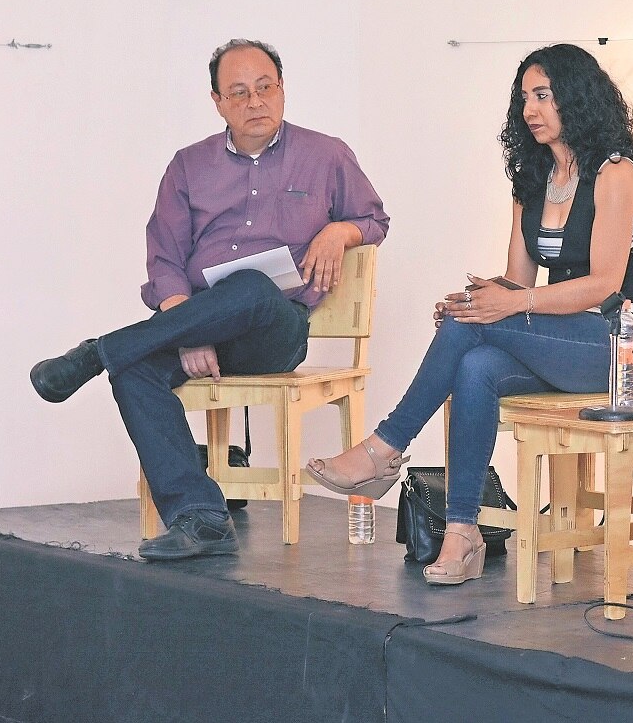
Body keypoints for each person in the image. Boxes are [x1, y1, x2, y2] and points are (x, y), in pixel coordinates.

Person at [306, 44, 633, 586]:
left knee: (473, 327)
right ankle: (461, 531)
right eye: (524, 99)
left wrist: (503, 305)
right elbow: (519, 284)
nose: (531, 110)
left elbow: (604, 286)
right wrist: (477, 302)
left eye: (542, 96)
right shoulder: (532, 179)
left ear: (576, 97)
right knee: (474, 365)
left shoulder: (616, 172)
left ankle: (384, 447)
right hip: (557, 339)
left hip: (616, 347)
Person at [30, 39, 389, 561]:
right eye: (238, 92)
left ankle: (95, 351)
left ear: (283, 90)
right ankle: (201, 518)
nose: (255, 101)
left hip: (275, 329)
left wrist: (340, 231)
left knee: (251, 287)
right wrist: (190, 323)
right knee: (134, 370)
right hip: (196, 321)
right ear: (217, 101)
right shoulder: (187, 166)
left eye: (265, 88)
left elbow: (376, 220)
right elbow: (165, 260)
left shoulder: (326, 153)